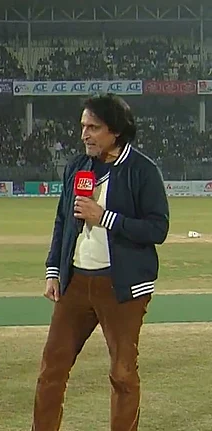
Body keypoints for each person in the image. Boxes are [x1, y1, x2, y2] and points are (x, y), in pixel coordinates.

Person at [32, 93, 170, 431]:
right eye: (83, 126)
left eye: (94, 127)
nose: (85, 134)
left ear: (116, 131)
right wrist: (54, 270)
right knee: (52, 369)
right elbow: (63, 220)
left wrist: (104, 217)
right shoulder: (77, 168)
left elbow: (158, 228)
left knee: (122, 374)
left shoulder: (142, 170)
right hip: (76, 283)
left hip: (122, 288)